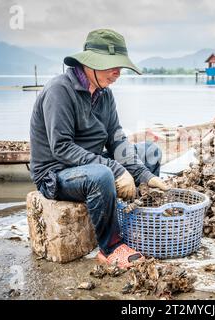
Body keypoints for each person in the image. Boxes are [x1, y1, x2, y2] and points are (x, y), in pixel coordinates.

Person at [29, 29, 169, 269]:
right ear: (89, 63)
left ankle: (132, 221)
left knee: (150, 150)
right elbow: (61, 148)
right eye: (111, 66)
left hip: (89, 165)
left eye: (119, 67)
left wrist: (145, 175)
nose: (117, 73)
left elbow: (117, 140)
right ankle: (111, 247)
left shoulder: (105, 95)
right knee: (103, 174)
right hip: (56, 173)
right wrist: (115, 169)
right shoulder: (59, 91)